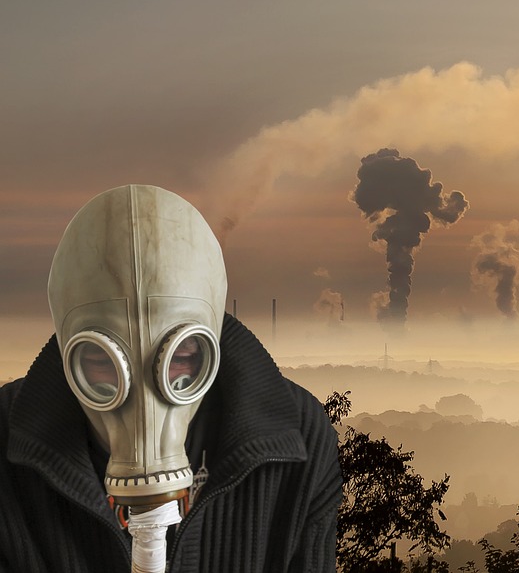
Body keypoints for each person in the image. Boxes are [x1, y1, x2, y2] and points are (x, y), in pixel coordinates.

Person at [0, 185, 342, 572]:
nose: (144, 405)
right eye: (102, 360)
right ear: (67, 348)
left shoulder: (300, 441)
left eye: (180, 356)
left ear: (209, 339)